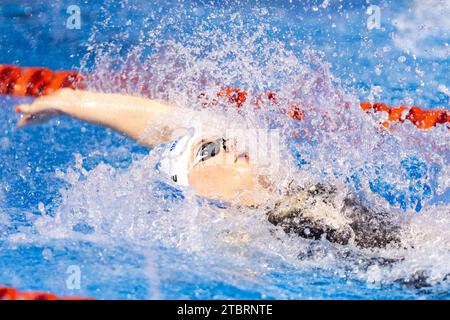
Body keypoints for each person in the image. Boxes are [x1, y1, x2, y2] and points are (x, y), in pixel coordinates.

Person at [15, 88, 400, 248]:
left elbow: (158, 119)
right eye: (212, 148)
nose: (230, 143)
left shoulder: (289, 188)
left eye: (225, 139)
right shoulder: (236, 234)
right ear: (192, 188)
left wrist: (67, 100)